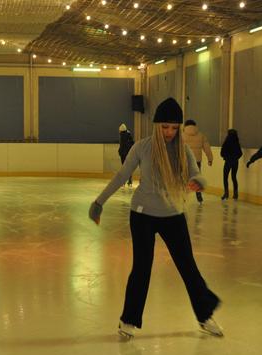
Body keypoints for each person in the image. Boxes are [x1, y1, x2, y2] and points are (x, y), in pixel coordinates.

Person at [88, 97, 223, 338]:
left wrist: (197, 183)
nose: (169, 132)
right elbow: (121, 176)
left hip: (173, 214)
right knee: (141, 268)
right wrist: (99, 202)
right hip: (142, 216)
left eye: (174, 127)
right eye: (165, 126)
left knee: (188, 267)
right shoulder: (142, 147)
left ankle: (205, 316)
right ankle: (128, 321)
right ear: (156, 125)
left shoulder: (182, 150)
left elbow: (198, 175)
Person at [182, 120, 213, 203]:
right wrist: (210, 159)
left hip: (184, 161)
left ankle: (182, 198)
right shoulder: (201, 135)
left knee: (183, 179)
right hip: (197, 161)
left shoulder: (182, 135)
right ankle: (199, 198)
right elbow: (207, 148)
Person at [220, 129, 242, 200]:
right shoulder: (237, 142)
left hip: (228, 162)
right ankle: (235, 194)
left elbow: (222, 152)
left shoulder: (227, 142)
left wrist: (226, 157)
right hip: (235, 162)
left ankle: (226, 194)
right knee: (234, 177)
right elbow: (240, 153)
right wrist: (235, 158)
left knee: (225, 177)